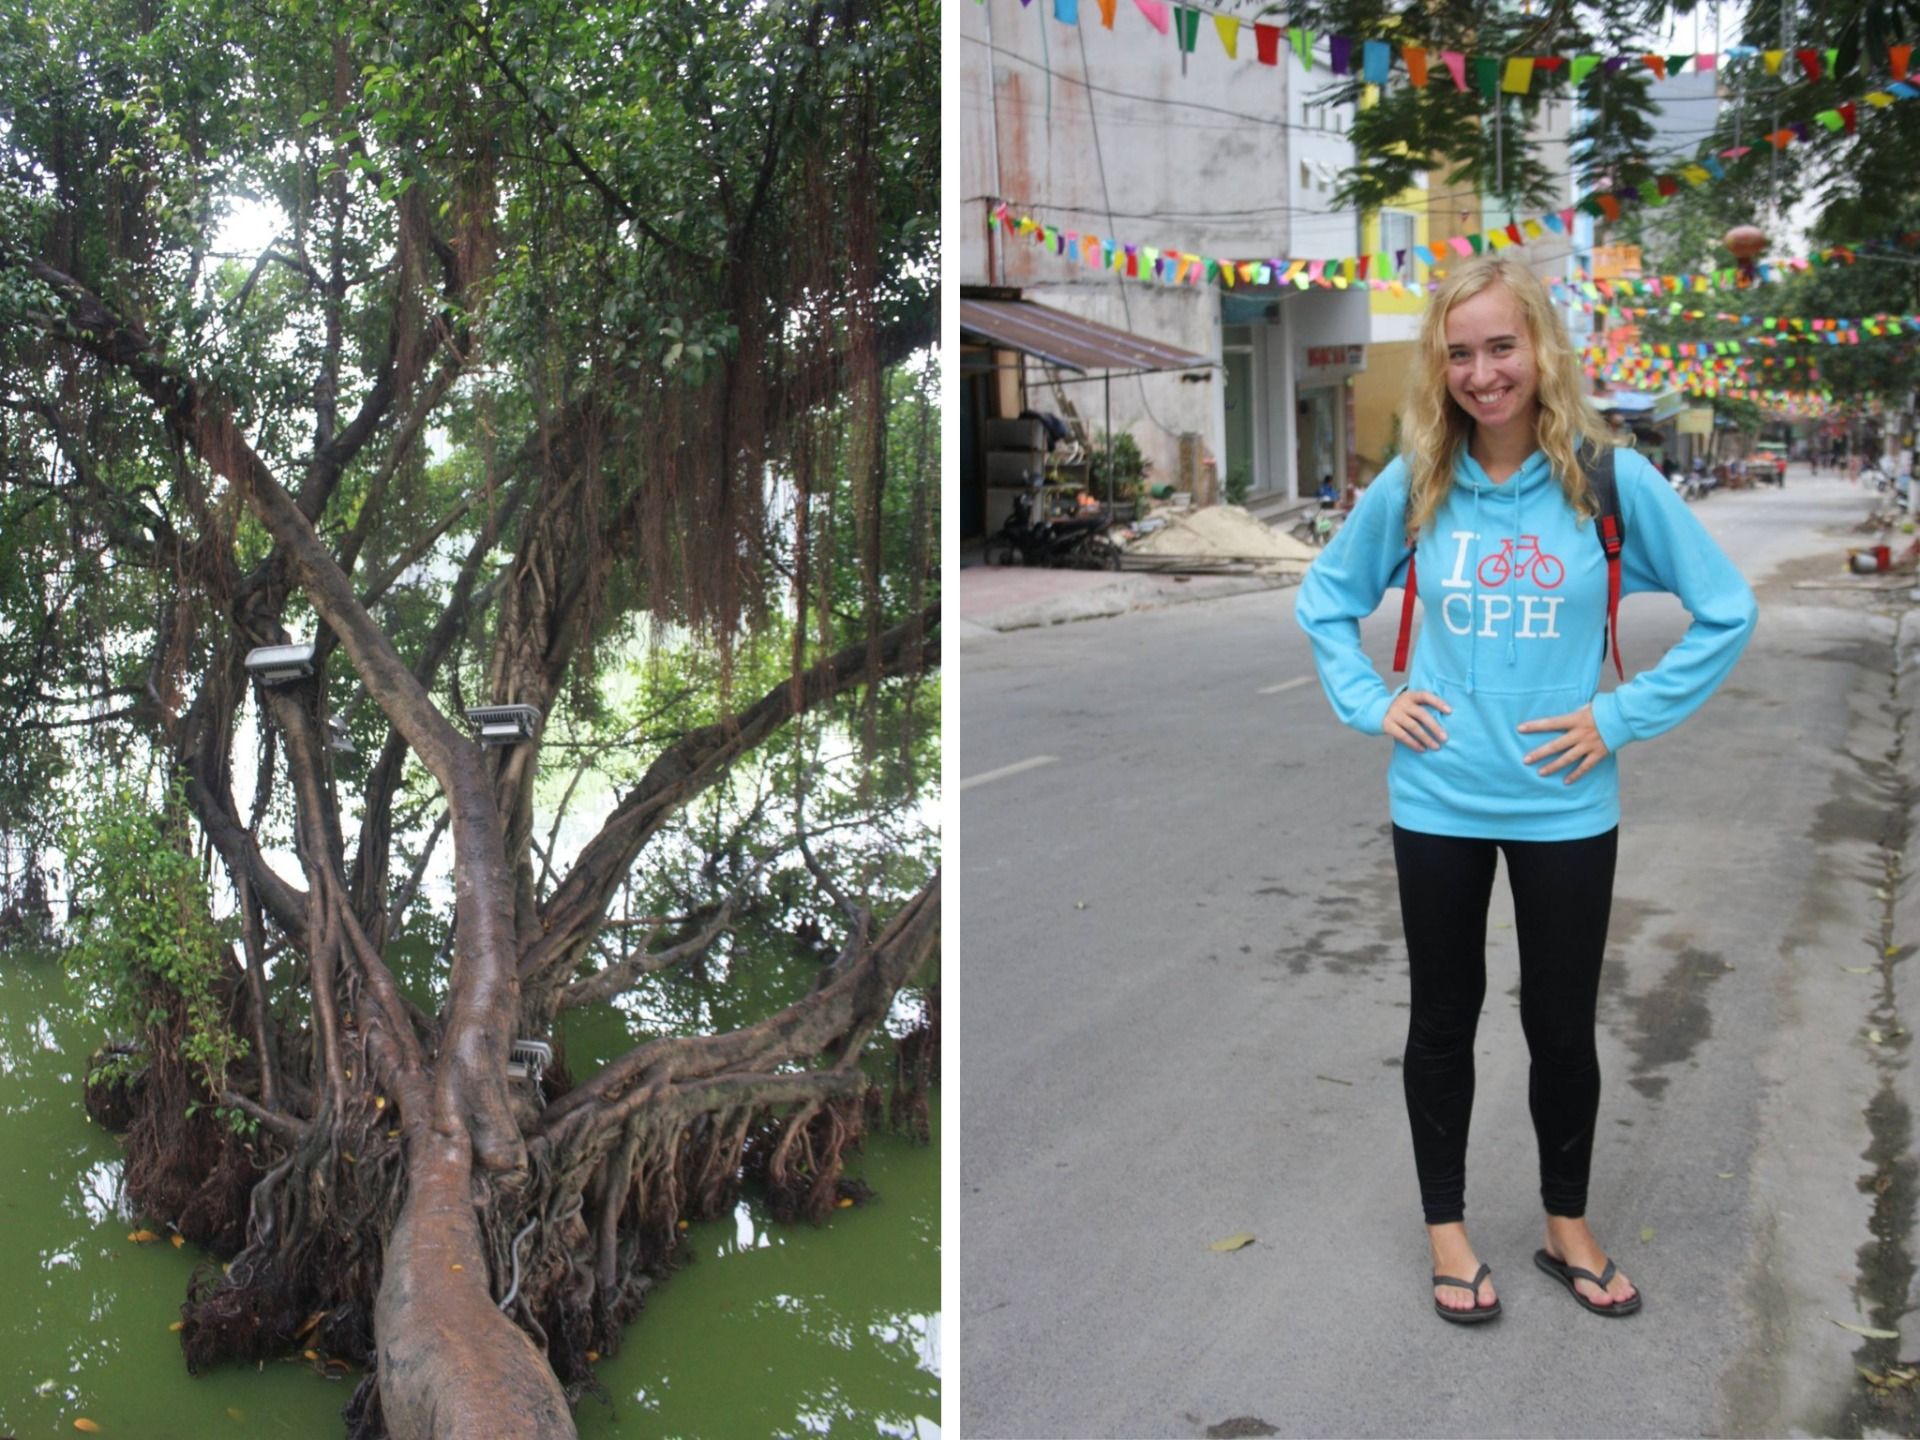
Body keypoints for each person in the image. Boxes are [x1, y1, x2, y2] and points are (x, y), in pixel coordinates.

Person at [1295, 255, 1757, 1326]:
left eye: (1501, 346)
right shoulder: (1416, 480)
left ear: (1541, 348)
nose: (1482, 373)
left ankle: (1566, 1225)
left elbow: (1727, 610)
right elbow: (1325, 599)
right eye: (1459, 353)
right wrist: (1371, 703)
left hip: (1567, 804)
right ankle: (1447, 1231)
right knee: (1441, 1021)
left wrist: (1617, 718)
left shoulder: (1609, 482)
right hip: (1438, 801)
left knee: (1562, 1027)